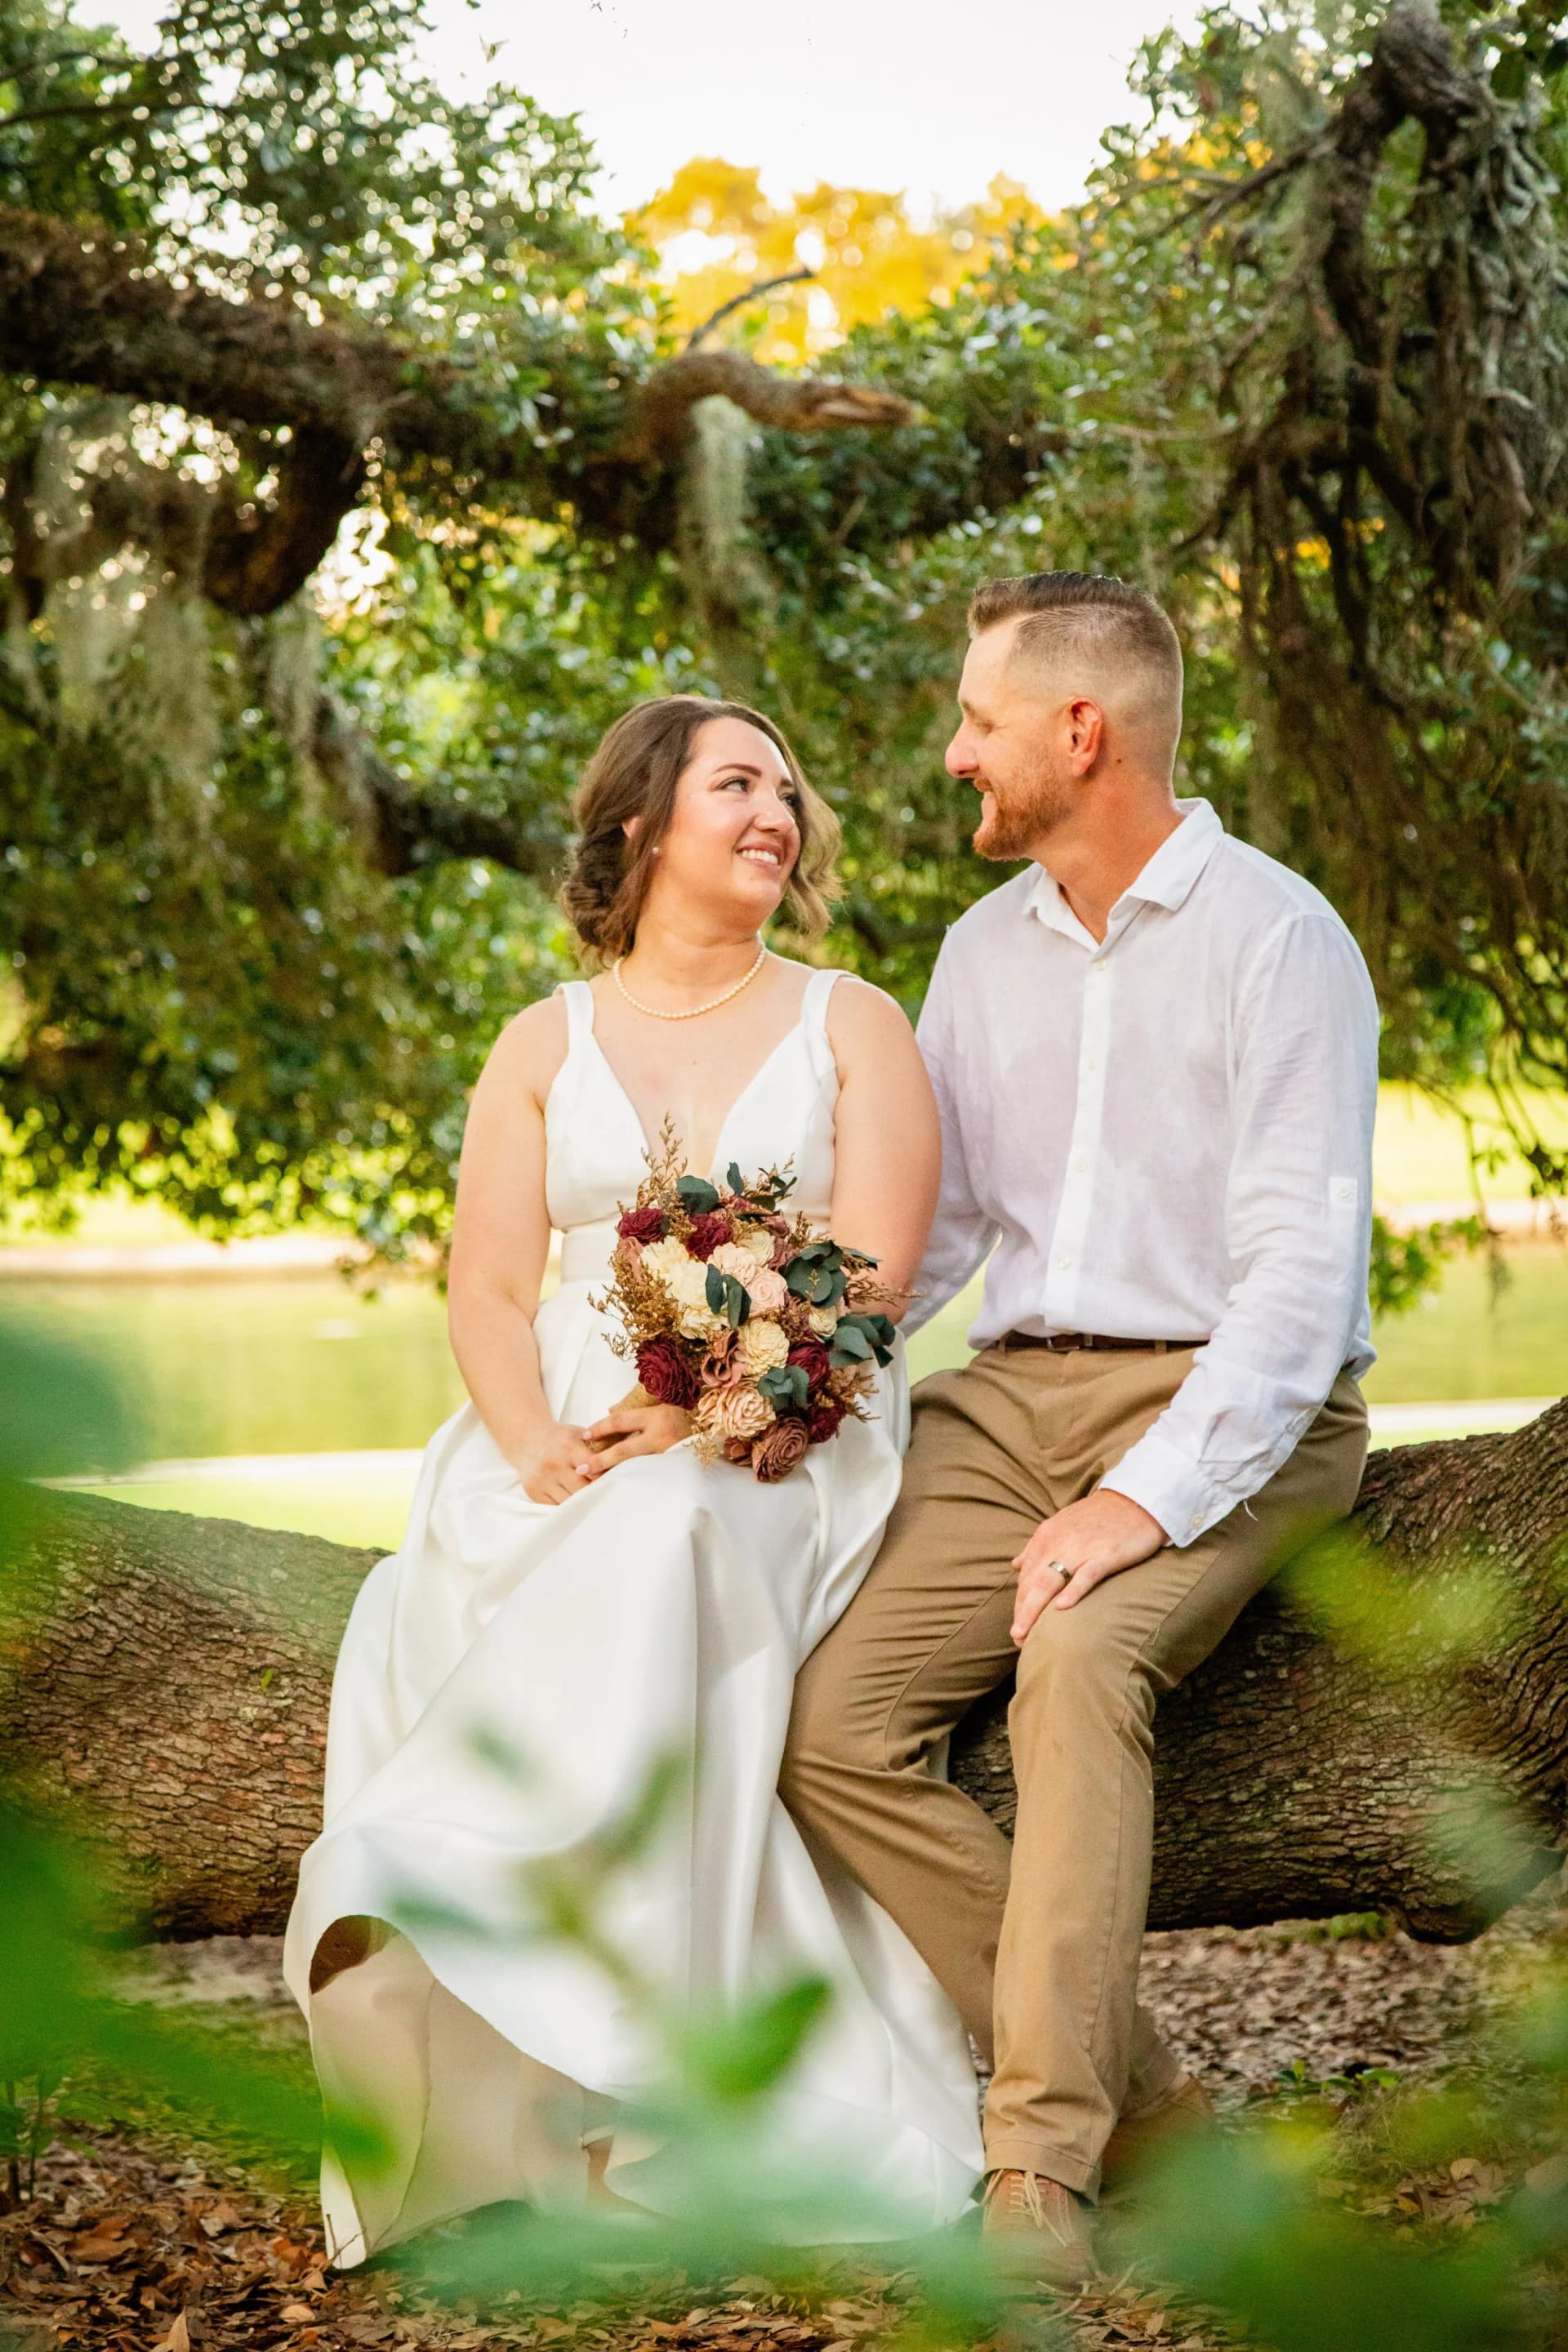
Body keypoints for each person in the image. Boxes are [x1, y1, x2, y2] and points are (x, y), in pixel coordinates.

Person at [283, 695, 983, 2267]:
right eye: (738, 784)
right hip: (561, 1431)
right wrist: (531, 1439)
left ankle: (510, 1939)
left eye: (789, 791)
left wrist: (714, 1415)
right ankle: (507, 1996)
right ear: (642, 825)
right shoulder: (543, 1041)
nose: (776, 814)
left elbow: (870, 1276)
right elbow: (481, 1287)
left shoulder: (851, 1021)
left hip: (787, 1433)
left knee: (665, 1523)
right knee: (450, 1570)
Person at [780, 570, 1378, 2285]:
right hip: (1010, 1400)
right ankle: (1163, 2112)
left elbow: (1292, 1286)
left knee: (1076, 1667)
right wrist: (798, 1358)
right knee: (831, 1726)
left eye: (979, 720)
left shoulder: (1282, 940)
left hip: (1235, 1403)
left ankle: (1038, 2172)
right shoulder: (980, 951)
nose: (956, 752)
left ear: (1080, 729)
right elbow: (944, 1238)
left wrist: (1143, 1502)